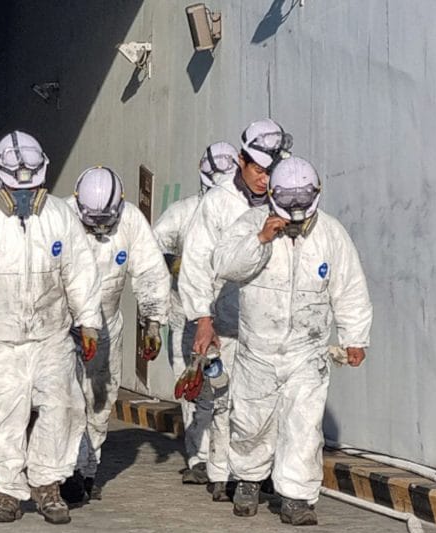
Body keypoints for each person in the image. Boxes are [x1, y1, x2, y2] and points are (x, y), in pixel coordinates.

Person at [0, 131, 102, 525]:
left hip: (51, 337)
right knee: (2, 415)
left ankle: (47, 485)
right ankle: (7, 490)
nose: (26, 195)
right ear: (1, 179)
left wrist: (89, 320)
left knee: (62, 408)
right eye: (17, 186)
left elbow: (79, 271)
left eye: (33, 186)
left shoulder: (60, 216)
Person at [213, 157, 372, 525]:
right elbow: (224, 264)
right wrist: (261, 240)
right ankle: (250, 480)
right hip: (258, 349)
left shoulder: (331, 235)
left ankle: (297, 497)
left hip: (307, 350)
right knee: (251, 421)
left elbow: (349, 288)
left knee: (303, 425)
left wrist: (355, 336)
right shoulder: (252, 224)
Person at [179, 119, 293, 501]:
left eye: (271, 171)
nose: (265, 179)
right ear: (241, 160)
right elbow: (196, 262)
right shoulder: (217, 204)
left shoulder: (286, 198)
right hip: (224, 320)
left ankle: (261, 473)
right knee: (225, 398)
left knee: (267, 402)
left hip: (268, 323)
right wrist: (203, 319)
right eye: (259, 170)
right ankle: (222, 472)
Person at [60, 166, 171, 503]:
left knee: (99, 401)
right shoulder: (59, 218)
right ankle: (63, 470)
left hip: (107, 326)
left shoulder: (131, 222)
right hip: (64, 328)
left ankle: (86, 470)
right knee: (63, 401)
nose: (97, 227)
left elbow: (150, 270)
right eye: (90, 220)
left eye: (104, 219)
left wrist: (152, 320)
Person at [152, 141, 238, 484]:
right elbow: (152, 247)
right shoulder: (182, 213)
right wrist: (176, 272)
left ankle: (228, 459)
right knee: (198, 388)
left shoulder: (242, 210)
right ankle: (199, 457)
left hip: (234, 318)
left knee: (233, 392)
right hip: (190, 316)